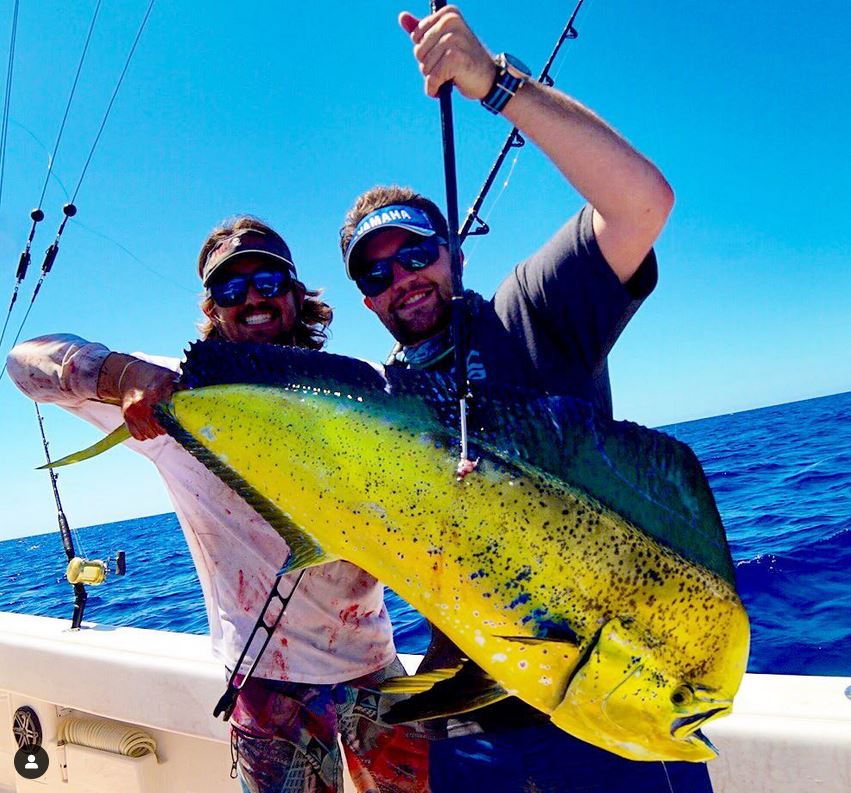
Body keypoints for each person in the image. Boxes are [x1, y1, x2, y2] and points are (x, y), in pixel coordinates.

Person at [338, 6, 713, 793]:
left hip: (609, 698)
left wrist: (496, 84)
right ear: (366, 299)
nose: (402, 276)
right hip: (469, 724)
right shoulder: (376, 409)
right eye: (376, 271)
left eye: (416, 250)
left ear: (452, 252)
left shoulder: (531, 313)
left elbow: (642, 204)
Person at [7, 216, 429, 793]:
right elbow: (23, 364)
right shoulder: (175, 395)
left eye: (268, 282)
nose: (252, 297)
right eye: (231, 288)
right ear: (212, 308)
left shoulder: (358, 394)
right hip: (265, 684)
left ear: (296, 296)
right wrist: (124, 374)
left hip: (374, 668)